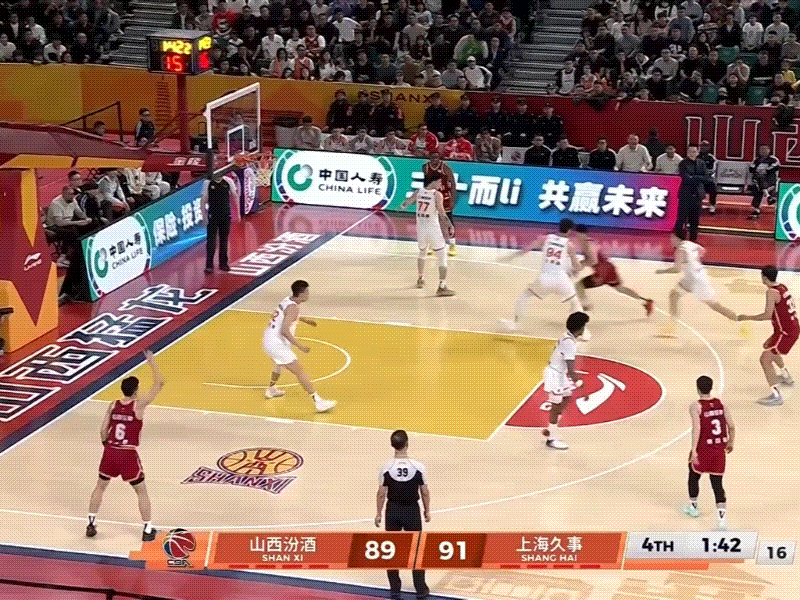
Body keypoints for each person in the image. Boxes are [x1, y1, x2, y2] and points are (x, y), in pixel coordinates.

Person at [86, 350, 163, 541]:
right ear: (136, 391)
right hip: (127, 453)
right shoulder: (138, 405)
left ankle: (91, 523)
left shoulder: (113, 405)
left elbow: (103, 430)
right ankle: (147, 529)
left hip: (111, 450)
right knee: (141, 491)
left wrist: (107, 446)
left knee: (100, 486)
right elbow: (159, 383)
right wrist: (152, 362)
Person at [263, 280, 336, 412]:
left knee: (278, 364)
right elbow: (284, 330)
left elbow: (288, 315)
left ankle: (271, 389)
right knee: (299, 371)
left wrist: (304, 320)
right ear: (301, 294)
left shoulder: (287, 300)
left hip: (269, 338)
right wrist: (300, 346)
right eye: (307, 292)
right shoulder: (293, 308)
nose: (308, 294)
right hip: (276, 343)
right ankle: (318, 402)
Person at [375, 430, 430, 600]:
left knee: (391, 549)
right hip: (411, 510)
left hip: (393, 510)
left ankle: (395, 587)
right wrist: (427, 510)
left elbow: (381, 493)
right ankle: (420, 588)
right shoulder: (418, 467)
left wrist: (379, 513)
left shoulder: (386, 467)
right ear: (407, 444)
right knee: (417, 549)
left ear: (392, 445)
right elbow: (424, 492)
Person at [501, 219, 583, 331]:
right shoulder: (569, 245)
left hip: (545, 279)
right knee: (576, 303)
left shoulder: (546, 238)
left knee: (525, 296)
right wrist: (581, 266)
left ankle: (515, 323)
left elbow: (526, 250)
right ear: (569, 231)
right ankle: (582, 331)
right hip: (562, 280)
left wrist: (511, 256)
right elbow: (576, 266)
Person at [736, 266, 798, 405]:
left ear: (764, 277)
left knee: (765, 359)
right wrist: (773, 335)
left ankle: (776, 395)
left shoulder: (771, 292)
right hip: (789, 328)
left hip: (786, 333)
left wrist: (747, 317)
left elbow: (767, 315)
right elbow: (781, 313)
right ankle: (786, 376)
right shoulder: (782, 286)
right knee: (770, 348)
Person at [655, 231, 736, 336]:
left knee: (714, 305)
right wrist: (694, 260)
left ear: (676, 238)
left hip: (694, 280)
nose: (670, 240)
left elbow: (677, 269)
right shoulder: (691, 244)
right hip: (698, 276)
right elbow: (702, 250)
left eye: (672, 238)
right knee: (674, 295)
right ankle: (671, 326)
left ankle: (737, 318)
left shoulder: (680, 250)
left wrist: (662, 271)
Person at [684, 375, 734, 531]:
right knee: (717, 484)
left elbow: (697, 429)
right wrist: (731, 442)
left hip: (704, 448)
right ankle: (722, 521)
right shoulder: (722, 404)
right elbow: (731, 426)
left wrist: (694, 450)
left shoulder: (696, 406)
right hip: (719, 449)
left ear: (697, 388)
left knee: (693, 475)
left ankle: (693, 507)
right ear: (711, 388)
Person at [572, 225, 654, 315]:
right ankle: (646, 301)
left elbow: (593, 261)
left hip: (602, 273)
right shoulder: (589, 242)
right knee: (620, 288)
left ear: (580, 234)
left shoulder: (588, 245)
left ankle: (585, 305)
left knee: (579, 285)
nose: (576, 237)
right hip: (609, 269)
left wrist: (581, 265)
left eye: (577, 234)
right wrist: (582, 264)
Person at [399, 173, 456, 296]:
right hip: (433, 229)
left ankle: (420, 278)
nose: (440, 184)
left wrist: (403, 205)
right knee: (442, 256)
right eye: (439, 182)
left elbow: (406, 203)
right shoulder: (436, 195)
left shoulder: (418, 192)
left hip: (420, 229)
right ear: (433, 181)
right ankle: (442, 286)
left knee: (422, 252)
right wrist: (450, 225)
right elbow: (441, 213)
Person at [541, 312, 590, 450]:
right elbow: (571, 370)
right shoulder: (569, 344)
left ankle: (551, 429)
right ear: (580, 328)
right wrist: (581, 385)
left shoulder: (567, 336)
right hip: (554, 376)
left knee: (567, 397)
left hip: (559, 373)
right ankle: (551, 439)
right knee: (556, 406)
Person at [674, 144, 713, 242]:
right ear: (687, 152)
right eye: (690, 151)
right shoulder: (683, 163)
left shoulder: (701, 163)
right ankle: (679, 240)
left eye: (694, 151)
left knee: (695, 220)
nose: (692, 153)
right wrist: (698, 177)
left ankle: (693, 240)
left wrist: (694, 177)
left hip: (698, 195)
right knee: (681, 219)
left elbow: (706, 178)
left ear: (698, 152)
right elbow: (686, 178)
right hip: (685, 195)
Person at [423, 152, 457, 256]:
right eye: (432, 157)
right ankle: (432, 244)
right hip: (432, 196)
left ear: (439, 158)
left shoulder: (445, 168)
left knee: (447, 220)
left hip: (444, 196)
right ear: (429, 158)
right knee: (431, 221)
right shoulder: (425, 167)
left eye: (436, 157)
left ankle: (452, 244)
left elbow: (453, 184)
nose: (434, 159)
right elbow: (426, 183)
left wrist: (453, 199)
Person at [202, 172, 236, 274]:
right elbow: (203, 200)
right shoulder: (208, 183)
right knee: (211, 241)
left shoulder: (228, 181)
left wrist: (237, 213)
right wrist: (204, 216)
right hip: (213, 215)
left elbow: (235, 196)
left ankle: (223, 263)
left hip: (225, 215)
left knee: (224, 240)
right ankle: (209, 265)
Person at [747, 144, 780, 219]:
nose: (763, 151)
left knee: (759, 184)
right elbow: (751, 169)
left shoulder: (773, 159)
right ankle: (768, 197)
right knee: (758, 184)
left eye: (765, 149)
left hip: (770, 180)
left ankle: (756, 210)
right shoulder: (756, 160)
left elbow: (774, 168)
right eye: (761, 149)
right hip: (758, 181)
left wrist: (762, 171)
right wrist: (761, 171)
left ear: (769, 150)